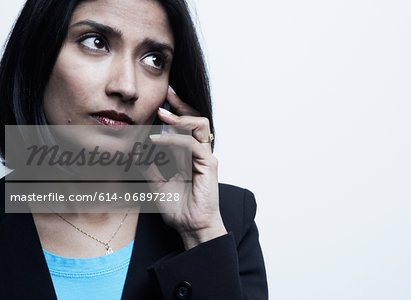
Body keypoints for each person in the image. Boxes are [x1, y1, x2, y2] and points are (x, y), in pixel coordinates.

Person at [0, 0, 268, 299]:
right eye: (96, 42)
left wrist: (199, 235)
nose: (127, 87)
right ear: (38, 54)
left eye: (154, 60)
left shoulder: (225, 222)